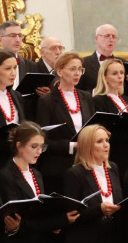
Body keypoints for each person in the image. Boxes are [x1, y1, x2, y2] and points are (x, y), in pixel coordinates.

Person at [0, 121, 78, 243]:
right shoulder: (5, 176)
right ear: (19, 146)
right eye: (34, 146)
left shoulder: (36, 174)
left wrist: (53, 221)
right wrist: (56, 221)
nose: (39, 152)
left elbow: (39, 210)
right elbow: (17, 220)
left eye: (42, 147)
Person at [60, 124, 123, 243]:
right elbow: (72, 214)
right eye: (99, 141)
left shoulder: (112, 168)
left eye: (106, 140)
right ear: (87, 145)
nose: (106, 145)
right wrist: (98, 210)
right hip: (87, 242)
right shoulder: (74, 174)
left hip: (112, 237)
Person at [36, 51, 94, 194]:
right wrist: (71, 146)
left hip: (84, 164)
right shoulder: (47, 101)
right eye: (72, 69)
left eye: (80, 69)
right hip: (58, 168)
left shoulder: (86, 97)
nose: (77, 73)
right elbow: (43, 141)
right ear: (60, 71)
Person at [92, 57, 128, 173]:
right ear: (105, 78)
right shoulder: (99, 100)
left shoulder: (127, 99)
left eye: (122, 73)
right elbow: (102, 132)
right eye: (115, 73)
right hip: (113, 154)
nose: (120, 76)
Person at [77, 24, 128, 93]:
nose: (111, 39)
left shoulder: (124, 63)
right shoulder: (83, 63)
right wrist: (97, 91)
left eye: (114, 37)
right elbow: (77, 91)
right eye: (107, 36)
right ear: (96, 38)